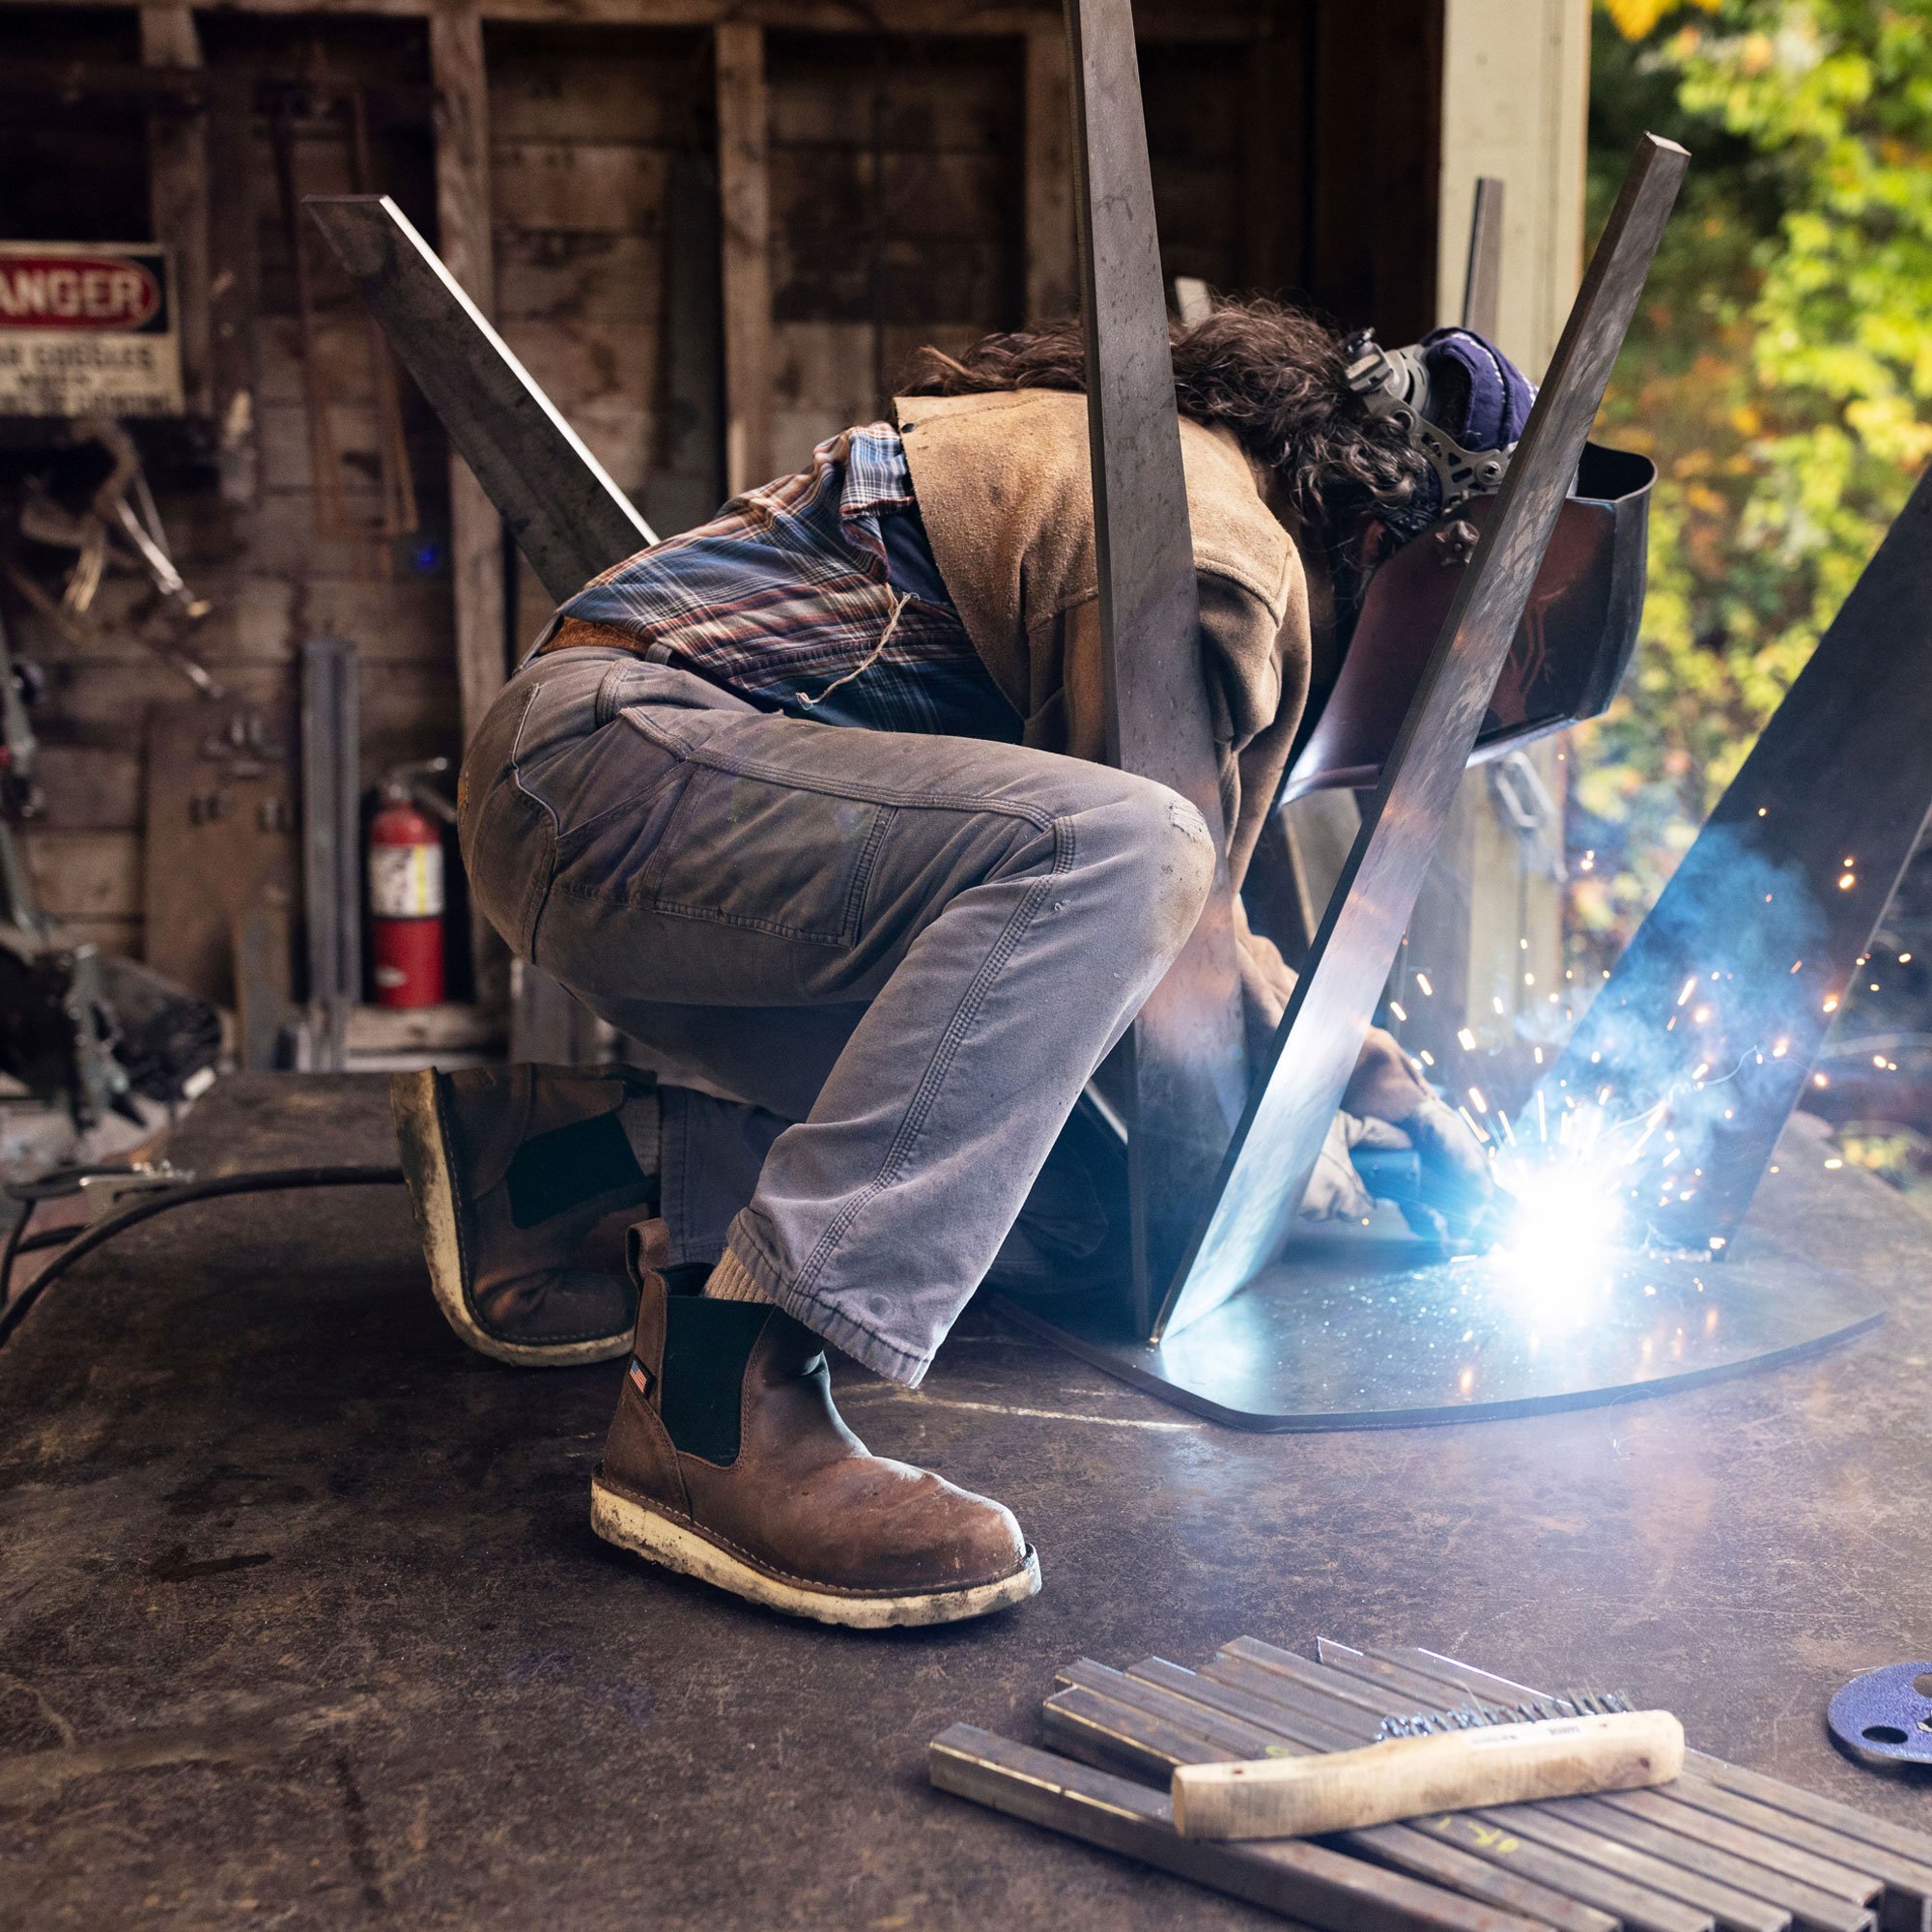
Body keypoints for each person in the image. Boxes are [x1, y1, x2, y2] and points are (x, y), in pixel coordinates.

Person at [391, 302, 1530, 1628]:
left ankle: (565, 1163)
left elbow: (1182, 937)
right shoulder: (1211, 549)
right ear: (1396, 537)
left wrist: (1367, 1087)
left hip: (666, 831)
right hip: (608, 776)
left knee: (1089, 1213)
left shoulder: (1183, 485)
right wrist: (1291, 1162)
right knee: (1126, 859)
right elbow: (1160, 931)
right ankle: (724, 1396)